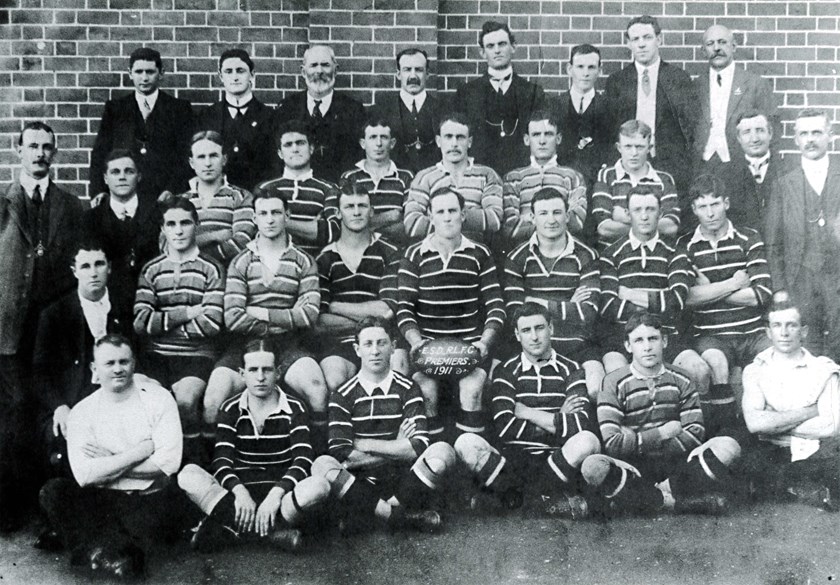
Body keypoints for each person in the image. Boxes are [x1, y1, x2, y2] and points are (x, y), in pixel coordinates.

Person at [38, 335, 185, 579]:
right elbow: (85, 475)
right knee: (53, 492)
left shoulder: (159, 399)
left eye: (123, 362)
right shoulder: (83, 411)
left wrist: (108, 461)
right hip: (101, 496)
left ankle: (96, 549)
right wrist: (136, 453)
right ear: (95, 369)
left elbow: (168, 463)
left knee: (149, 529)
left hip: (147, 497)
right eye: (109, 363)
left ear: (134, 364)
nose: (118, 369)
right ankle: (107, 551)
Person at [0, 121, 85, 532]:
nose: (39, 153)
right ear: (18, 150)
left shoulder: (71, 206)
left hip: (52, 327)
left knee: (50, 411)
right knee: (14, 413)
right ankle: (14, 506)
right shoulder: (2, 201)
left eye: (47, 147)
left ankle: (49, 509)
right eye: (32, 146)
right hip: (10, 327)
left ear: (55, 153)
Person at [583, 312, 742, 516]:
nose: (647, 347)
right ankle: (676, 502)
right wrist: (663, 432)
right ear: (628, 346)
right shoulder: (613, 382)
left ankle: (651, 497)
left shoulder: (682, 378)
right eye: (639, 340)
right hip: (635, 466)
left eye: (653, 339)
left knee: (729, 447)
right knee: (593, 466)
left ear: (664, 341)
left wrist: (635, 439)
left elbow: (694, 433)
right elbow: (613, 443)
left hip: (676, 465)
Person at [177, 340, 330, 551]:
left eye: (267, 370)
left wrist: (275, 495)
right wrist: (240, 493)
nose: (260, 377)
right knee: (188, 475)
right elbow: (222, 460)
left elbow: (302, 459)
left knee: (319, 486)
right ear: (242, 374)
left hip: (280, 495)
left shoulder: (295, 408)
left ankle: (233, 531)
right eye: (253, 370)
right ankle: (274, 534)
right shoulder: (230, 409)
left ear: (278, 372)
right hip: (240, 497)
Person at [312, 318, 456, 534]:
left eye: (382, 343)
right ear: (357, 349)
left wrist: (366, 443)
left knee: (443, 451)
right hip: (359, 483)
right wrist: (397, 444)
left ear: (393, 347)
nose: (375, 351)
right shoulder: (342, 394)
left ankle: (371, 514)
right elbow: (341, 451)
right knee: (322, 464)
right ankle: (399, 517)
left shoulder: (408, 388)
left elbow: (418, 446)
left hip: (404, 481)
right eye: (368, 344)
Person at [212, 188, 329, 452]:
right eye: (263, 213)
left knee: (317, 389)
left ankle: (321, 460)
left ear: (287, 215)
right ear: (254, 218)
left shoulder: (303, 261)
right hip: (245, 344)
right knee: (214, 396)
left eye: (276, 212)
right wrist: (284, 318)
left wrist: (257, 311)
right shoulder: (240, 262)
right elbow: (232, 318)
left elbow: (309, 314)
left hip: (288, 343)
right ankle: (214, 466)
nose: (270, 219)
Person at [398, 187, 506, 439]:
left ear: (463, 214)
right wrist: (416, 342)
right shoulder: (414, 254)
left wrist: (484, 343)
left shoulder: (480, 253)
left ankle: (471, 458)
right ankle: (435, 455)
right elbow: (404, 309)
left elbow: (496, 306)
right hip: (428, 351)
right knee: (426, 389)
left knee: (473, 386)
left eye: (452, 211)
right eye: (440, 212)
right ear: (431, 216)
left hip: (469, 350)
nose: (447, 217)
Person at [487, 303, 601, 517]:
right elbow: (504, 427)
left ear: (552, 328)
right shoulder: (506, 370)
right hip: (515, 458)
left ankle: (524, 499)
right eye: (526, 330)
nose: (534, 337)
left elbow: (580, 423)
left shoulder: (572, 369)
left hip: (556, 457)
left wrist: (528, 413)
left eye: (539, 328)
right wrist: (558, 416)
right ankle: (544, 499)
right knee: (466, 444)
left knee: (588, 440)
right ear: (517, 335)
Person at [133, 196, 224, 461]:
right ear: (163, 229)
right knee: (145, 398)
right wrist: (187, 313)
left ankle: (195, 464)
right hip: (155, 355)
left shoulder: (212, 269)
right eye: (171, 224)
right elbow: (140, 323)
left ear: (196, 224)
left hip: (196, 355)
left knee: (184, 400)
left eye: (185, 222)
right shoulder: (151, 269)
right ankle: (160, 468)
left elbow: (210, 324)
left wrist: (162, 323)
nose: (179, 229)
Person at [673, 174, 772, 414]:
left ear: (726, 203)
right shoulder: (685, 245)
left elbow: (761, 294)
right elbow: (685, 298)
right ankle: (726, 429)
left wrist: (711, 287)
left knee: (777, 358)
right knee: (716, 362)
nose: (710, 213)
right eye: (703, 206)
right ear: (694, 209)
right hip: (712, 334)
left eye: (715, 204)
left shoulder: (749, 238)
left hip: (753, 332)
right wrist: (733, 283)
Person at [33, 240, 132, 480]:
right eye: (85, 266)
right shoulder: (55, 314)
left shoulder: (124, 306)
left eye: (99, 264)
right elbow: (39, 372)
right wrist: (59, 406)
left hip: (117, 395)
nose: (94, 272)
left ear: (109, 267)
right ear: (74, 271)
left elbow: (137, 354)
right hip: (71, 399)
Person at [598, 185, 711, 393]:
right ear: (627, 214)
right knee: (619, 377)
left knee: (699, 369)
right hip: (623, 337)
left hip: (666, 335)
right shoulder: (610, 254)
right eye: (637, 210)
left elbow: (677, 299)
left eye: (650, 209)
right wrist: (654, 306)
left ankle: (697, 425)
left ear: (660, 213)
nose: (644, 216)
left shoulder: (676, 251)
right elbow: (608, 305)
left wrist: (630, 294)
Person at [741, 296, 840, 509]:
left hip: (815, 451)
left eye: (791, 325)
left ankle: (795, 486)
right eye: (777, 325)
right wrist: (811, 411)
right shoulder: (755, 370)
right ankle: (806, 488)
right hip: (773, 451)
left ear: (803, 331)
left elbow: (832, 425)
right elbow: (755, 424)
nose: (784, 333)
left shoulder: (823, 368)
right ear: (768, 332)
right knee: (753, 461)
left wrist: (774, 421)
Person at [504, 187, 604, 399]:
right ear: (532, 217)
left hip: (577, 345)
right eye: (543, 213)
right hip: (531, 347)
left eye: (557, 212)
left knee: (596, 387)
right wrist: (568, 304)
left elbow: (588, 313)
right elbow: (515, 312)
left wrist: (534, 300)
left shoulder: (586, 256)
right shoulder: (517, 259)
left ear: (567, 216)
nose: (551, 220)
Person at [765, 109, 840, 360]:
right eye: (804, 133)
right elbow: (774, 242)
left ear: (830, 135)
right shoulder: (784, 182)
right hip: (801, 279)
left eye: (817, 132)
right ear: (796, 139)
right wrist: (779, 289)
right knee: (809, 347)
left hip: (837, 277)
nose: (810, 139)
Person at [316, 185, 403, 392]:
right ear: (338, 213)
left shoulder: (389, 251)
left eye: (362, 206)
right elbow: (319, 321)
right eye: (349, 206)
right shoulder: (325, 258)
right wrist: (368, 321)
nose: (356, 212)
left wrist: (336, 307)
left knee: (398, 372)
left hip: (382, 341)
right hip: (340, 342)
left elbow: (386, 310)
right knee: (334, 379)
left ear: (371, 211)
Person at [604, 15, 697, 193]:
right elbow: (610, 130)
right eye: (635, 39)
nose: (641, 44)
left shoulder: (678, 78)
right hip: (629, 164)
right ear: (628, 44)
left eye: (647, 37)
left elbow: (690, 127)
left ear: (659, 40)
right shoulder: (617, 81)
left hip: (670, 165)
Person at [89, 47, 193, 203]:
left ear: (161, 73)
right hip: (125, 196)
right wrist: (98, 191)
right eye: (138, 72)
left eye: (150, 72)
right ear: (130, 73)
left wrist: (173, 189)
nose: (144, 78)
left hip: (164, 197)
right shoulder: (115, 109)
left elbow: (186, 155)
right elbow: (100, 153)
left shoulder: (179, 109)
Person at [456, 21, 546, 175]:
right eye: (490, 46)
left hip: (522, 176)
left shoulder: (533, 92)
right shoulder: (466, 94)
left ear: (513, 47)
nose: (497, 50)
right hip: (479, 177)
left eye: (502, 44)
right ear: (482, 53)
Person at [403, 113, 503, 245]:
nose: (454, 144)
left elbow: (494, 220)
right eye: (448, 137)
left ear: (469, 142)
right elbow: (412, 224)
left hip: (476, 252)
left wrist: (440, 217)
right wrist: (468, 218)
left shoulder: (487, 175)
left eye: (460, 137)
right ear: (439, 141)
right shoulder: (424, 177)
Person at [84, 149, 162, 315]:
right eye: (115, 172)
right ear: (105, 178)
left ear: (139, 176)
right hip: (107, 308)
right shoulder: (91, 220)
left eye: (129, 171)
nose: (122, 177)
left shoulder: (157, 216)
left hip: (151, 306)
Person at [274, 44, 365, 184]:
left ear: (336, 70)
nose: (319, 71)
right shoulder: (286, 109)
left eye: (325, 65)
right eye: (313, 65)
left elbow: (358, 158)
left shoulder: (353, 110)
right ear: (303, 72)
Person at [693, 25, 779, 172]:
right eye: (710, 44)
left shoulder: (755, 84)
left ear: (733, 47)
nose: (716, 48)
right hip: (703, 165)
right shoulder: (695, 86)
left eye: (722, 42)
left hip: (741, 167)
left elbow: (773, 130)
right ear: (703, 51)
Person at [194, 48, 280, 191]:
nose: (235, 77)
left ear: (252, 75)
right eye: (228, 72)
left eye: (240, 71)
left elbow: (275, 164)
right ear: (220, 76)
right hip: (218, 195)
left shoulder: (269, 116)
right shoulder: (207, 116)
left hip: (258, 195)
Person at [502, 111, 587, 249]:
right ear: (526, 139)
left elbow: (577, 223)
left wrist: (527, 218)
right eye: (536, 135)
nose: (542, 141)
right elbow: (510, 229)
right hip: (524, 253)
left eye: (548, 134)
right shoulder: (513, 179)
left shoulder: (573, 177)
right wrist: (558, 217)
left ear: (558, 138)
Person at [254, 120, 340, 258]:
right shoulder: (265, 188)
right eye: (288, 145)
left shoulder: (329, 189)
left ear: (311, 148)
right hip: (274, 266)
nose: (295, 149)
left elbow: (331, 232)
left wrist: (275, 222)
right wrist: (312, 227)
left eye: (300, 143)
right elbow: (255, 230)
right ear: (280, 153)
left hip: (315, 267)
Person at [591, 120, 679, 250]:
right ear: (619, 147)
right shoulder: (606, 176)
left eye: (639, 147)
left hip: (656, 255)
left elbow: (671, 227)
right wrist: (650, 221)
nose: (634, 153)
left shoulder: (664, 179)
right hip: (616, 256)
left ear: (649, 148)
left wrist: (624, 216)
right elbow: (604, 228)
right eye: (628, 146)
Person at [178, 130, 256, 266]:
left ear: (224, 159)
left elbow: (241, 242)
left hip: (226, 277)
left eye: (213, 156)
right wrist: (215, 236)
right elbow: (167, 245)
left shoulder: (241, 197)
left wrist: (193, 247)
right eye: (201, 157)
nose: (207, 163)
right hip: (187, 278)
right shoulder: (180, 201)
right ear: (191, 163)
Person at [700, 111, 780, 233]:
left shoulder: (787, 171)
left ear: (770, 133)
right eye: (747, 132)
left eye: (760, 130)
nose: (754, 139)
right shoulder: (724, 175)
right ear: (739, 138)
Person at [369, 48, 444, 174]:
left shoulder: (443, 109)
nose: (413, 76)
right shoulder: (381, 110)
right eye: (407, 70)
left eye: (419, 70)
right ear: (398, 74)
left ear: (427, 74)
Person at [338, 118, 413, 244]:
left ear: (392, 143)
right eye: (372, 137)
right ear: (363, 143)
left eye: (384, 137)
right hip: (359, 250)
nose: (379, 143)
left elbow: (409, 224)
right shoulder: (349, 177)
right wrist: (390, 216)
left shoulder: (406, 177)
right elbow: (344, 222)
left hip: (397, 251)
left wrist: (365, 225)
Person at [555, 44, 612, 189]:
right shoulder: (554, 105)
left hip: (598, 183)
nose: (585, 73)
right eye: (580, 67)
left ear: (599, 71)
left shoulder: (609, 107)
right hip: (561, 182)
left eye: (591, 67)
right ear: (569, 69)